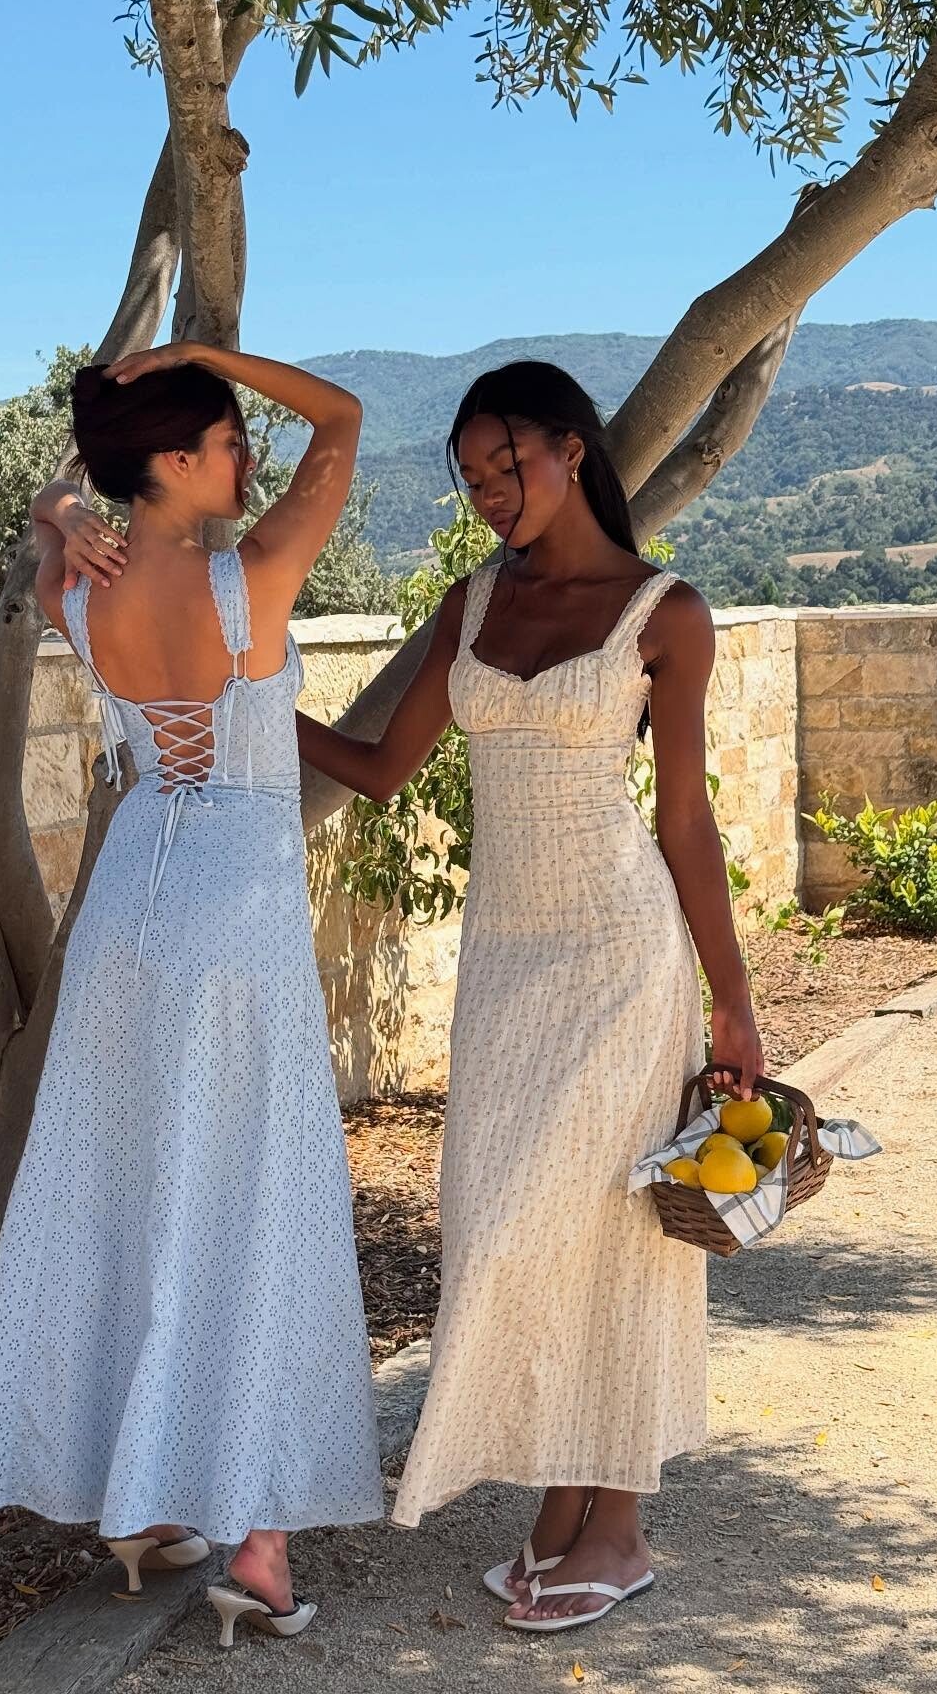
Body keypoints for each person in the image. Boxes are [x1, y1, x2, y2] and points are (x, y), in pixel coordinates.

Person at [296, 359, 764, 1635]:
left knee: (604, 1226)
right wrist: (242, 705)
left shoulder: (665, 612)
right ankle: (565, 1504)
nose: (491, 492)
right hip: (507, 968)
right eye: (471, 477)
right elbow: (380, 767)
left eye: (508, 464)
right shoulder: (474, 601)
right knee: (503, 1224)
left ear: (572, 450)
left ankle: (618, 1524)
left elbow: (684, 820)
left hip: (621, 954)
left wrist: (731, 1001)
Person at [0, 342, 384, 1651]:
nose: (248, 459)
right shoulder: (254, 581)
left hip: (126, 915)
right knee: (252, 1200)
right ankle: (257, 1543)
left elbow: (44, 529)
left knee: (129, 1185)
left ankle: (143, 1502)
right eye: (228, 440)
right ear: (176, 461)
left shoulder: (81, 591)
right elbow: (345, 421)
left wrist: (63, 507)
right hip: (234, 917)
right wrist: (202, 350)